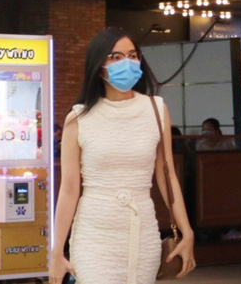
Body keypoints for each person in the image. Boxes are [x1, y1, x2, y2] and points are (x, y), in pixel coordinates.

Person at [50, 27, 195, 284]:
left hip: (142, 231)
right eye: (115, 57)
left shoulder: (156, 109)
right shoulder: (78, 118)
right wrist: (57, 250)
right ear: (99, 65)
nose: (126, 63)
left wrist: (187, 232)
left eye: (132, 55)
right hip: (94, 233)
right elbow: (69, 189)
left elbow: (167, 174)